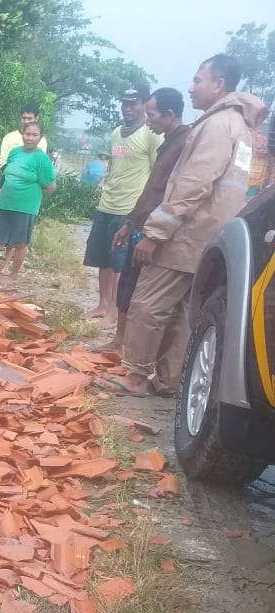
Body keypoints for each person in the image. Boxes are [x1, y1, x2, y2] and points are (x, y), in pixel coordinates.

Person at [100, 54, 269, 397]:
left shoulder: (218, 124)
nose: (191, 89)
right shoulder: (241, 128)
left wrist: (155, 233)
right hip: (211, 236)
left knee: (148, 303)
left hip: (186, 234)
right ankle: (169, 380)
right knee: (181, 311)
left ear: (218, 84)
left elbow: (194, 184)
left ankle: (135, 376)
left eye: (197, 80)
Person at [97, 88, 191, 354]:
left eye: (152, 115)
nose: (148, 121)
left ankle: (139, 357)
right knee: (128, 282)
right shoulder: (166, 141)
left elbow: (174, 196)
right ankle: (120, 342)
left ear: (169, 114)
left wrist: (154, 234)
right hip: (141, 224)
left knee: (147, 297)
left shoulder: (184, 143)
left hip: (160, 231)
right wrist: (130, 222)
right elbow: (151, 189)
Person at [83, 85, 162, 323]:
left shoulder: (151, 134)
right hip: (106, 204)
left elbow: (157, 173)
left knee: (121, 264)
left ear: (144, 104)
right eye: (124, 104)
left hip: (129, 209)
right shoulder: (117, 133)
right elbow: (115, 168)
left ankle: (118, 311)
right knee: (102, 259)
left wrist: (145, 209)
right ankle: (102, 305)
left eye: (133, 103)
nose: (127, 108)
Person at [0, 123, 57, 278]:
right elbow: (7, 174)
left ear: (40, 137)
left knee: (20, 242)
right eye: (27, 134)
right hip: (4, 203)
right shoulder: (14, 152)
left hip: (25, 207)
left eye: (34, 135)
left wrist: (31, 194)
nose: (30, 138)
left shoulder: (42, 159)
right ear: (22, 134)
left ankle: (13, 276)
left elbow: (50, 186)